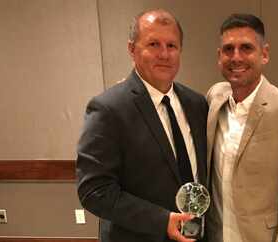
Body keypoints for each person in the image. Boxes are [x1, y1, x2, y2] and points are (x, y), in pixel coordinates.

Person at [76, 9, 208, 242]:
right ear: (132, 49)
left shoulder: (197, 104)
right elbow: (94, 191)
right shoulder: (108, 108)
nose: (164, 54)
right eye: (154, 44)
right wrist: (161, 220)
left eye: (172, 46)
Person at [206, 14, 278, 242]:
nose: (236, 57)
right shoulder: (214, 98)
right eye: (228, 49)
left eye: (246, 48)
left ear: (264, 54)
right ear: (219, 57)